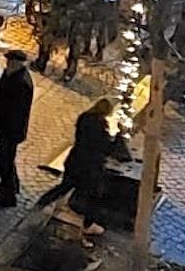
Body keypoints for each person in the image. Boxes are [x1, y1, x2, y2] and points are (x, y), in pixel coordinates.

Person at [32, 98, 131, 234]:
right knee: (93, 197)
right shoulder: (99, 128)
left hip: (74, 161)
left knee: (65, 186)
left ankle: (42, 202)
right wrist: (119, 135)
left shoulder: (84, 118)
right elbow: (107, 148)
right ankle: (88, 225)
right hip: (88, 168)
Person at [0, 49, 34, 208]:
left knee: (6, 161)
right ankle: (10, 186)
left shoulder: (20, 83)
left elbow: (14, 112)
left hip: (9, 131)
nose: (7, 64)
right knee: (7, 161)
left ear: (18, 63)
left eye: (10, 62)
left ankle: (8, 197)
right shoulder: (11, 75)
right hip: (6, 129)